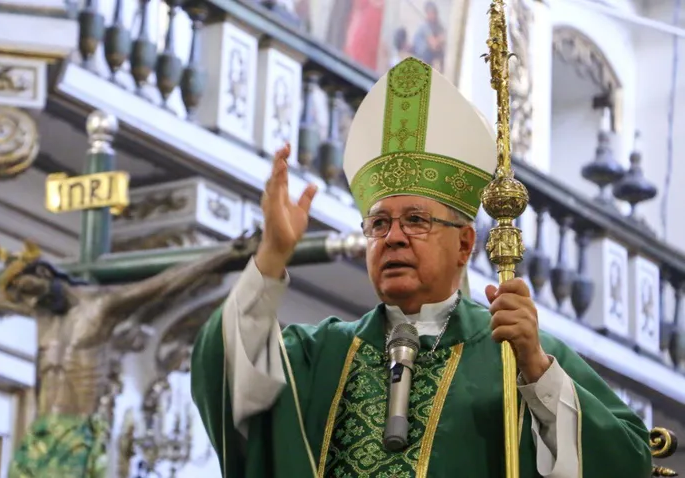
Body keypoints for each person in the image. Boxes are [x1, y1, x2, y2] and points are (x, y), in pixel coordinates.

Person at [190, 57, 653, 477]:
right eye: (379, 224)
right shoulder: (322, 354)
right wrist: (272, 254)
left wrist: (534, 368)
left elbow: (625, 460)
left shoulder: (515, 352)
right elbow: (224, 371)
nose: (393, 237)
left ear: (464, 244)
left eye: (415, 220)